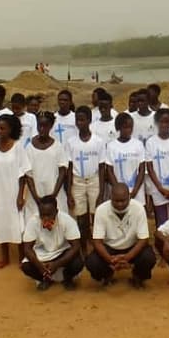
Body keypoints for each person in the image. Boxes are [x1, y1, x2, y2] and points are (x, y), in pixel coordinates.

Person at [85, 183, 156, 288]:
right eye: (116, 201)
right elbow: (97, 242)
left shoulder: (139, 208)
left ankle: (137, 276)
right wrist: (110, 260)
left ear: (129, 197)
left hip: (131, 247)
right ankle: (107, 274)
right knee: (92, 262)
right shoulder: (101, 210)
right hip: (109, 249)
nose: (120, 204)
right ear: (110, 198)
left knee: (148, 257)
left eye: (123, 200)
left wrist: (128, 257)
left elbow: (143, 239)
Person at [0, 114, 32, 269]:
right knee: (1, 224)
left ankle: (21, 257)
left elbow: (23, 174)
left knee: (17, 224)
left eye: (2, 128)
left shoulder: (18, 148)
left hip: (13, 192)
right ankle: (4, 257)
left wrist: (20, 196)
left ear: (10, 129)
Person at [65, 106, 106, 254]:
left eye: (82, 120)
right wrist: (69, 191)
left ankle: (97, 249)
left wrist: (101, 191)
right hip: (78, 182)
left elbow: (102, 167)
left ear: (89, 120)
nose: (79, 123)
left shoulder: (98, 141)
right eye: (77, 120)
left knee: (96, 217)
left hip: (94, 181)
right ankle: (83, 249)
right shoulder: (71, 142)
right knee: (81, 218)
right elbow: (69, 167)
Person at [21, 195, 83, 291]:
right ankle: (45, 279)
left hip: (61, 252)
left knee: (78, 263)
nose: (45, 218)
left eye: (49, 214)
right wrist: (39, 265)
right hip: (42, 255)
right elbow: (27, 249)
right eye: (42, 214)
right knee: (26, 267)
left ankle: (67, 278)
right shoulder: (33, 221)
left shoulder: (67, 220)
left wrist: (57, 264)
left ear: (56, 211)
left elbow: (76, 246)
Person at [25, 112, 69, 221]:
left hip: (55, 192)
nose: (42, 129)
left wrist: (54, 194)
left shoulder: (58, 146)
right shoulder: (29, 147)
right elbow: (28, 174)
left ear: (51, 126)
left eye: (45, 126)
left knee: (58, 221)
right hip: (35, 194)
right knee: (34, 221)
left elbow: (62, 171)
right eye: (39, 125)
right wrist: (36, 196)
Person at [105, 113, 146, 204]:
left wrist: (135, 191)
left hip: (136, 192)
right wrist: (118, 190)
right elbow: (109, 170)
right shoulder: (111, 146)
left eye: (130, 127)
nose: (129, 130)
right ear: (118, 128)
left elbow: (142, 169)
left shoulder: (138, 145)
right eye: (125, 127)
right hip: (118, 195)